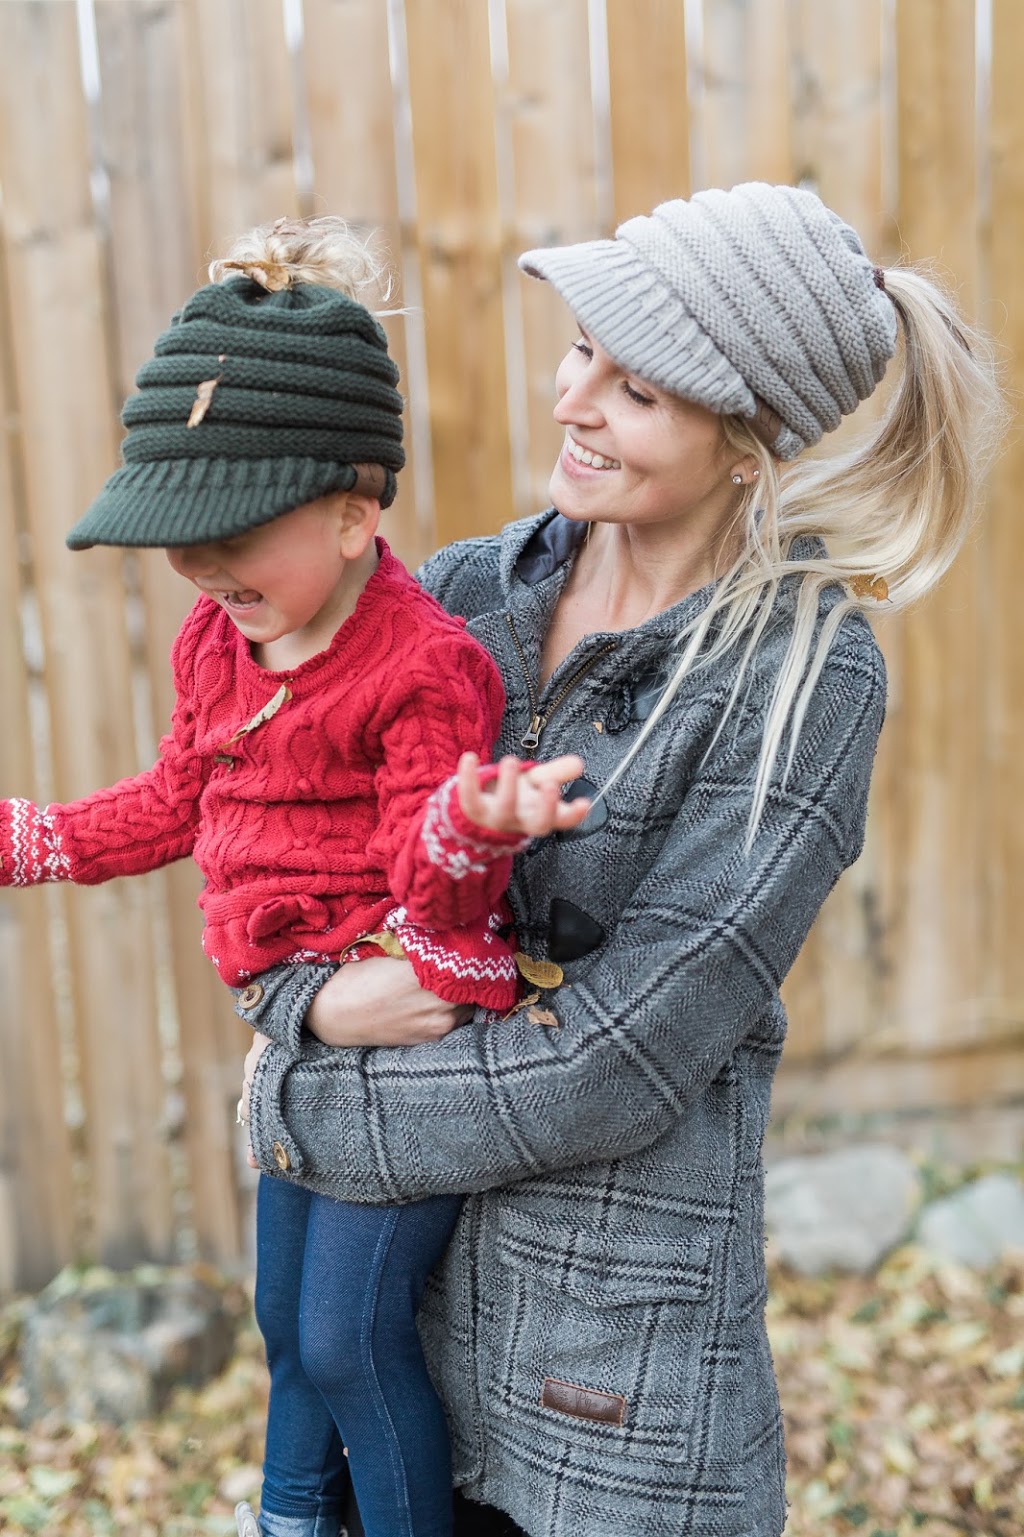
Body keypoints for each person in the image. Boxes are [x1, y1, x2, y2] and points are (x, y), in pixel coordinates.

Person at [235, 183, 1003, 1537]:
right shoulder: (460, 595)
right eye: (583, 348)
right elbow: (283, 854)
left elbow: (620, 1057)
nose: (573, 399)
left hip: (606, 1384)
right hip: (394, 1332)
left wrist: (296, 1097)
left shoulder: (801, 681)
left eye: (637, 390)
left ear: (753, 445)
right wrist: (305, 1002)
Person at [0, 217, 588, 1537]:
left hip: (408, 1041)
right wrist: (33, 838)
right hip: (300, 1033)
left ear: (353, 512)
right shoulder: (219, 641)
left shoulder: (421, 668)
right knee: (283, 1320)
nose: (203, 566)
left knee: (347, 1338)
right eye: (180, 534)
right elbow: (179, 799)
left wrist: (473, 830)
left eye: (236, 531)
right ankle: (289, 1517)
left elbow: (435, 896)